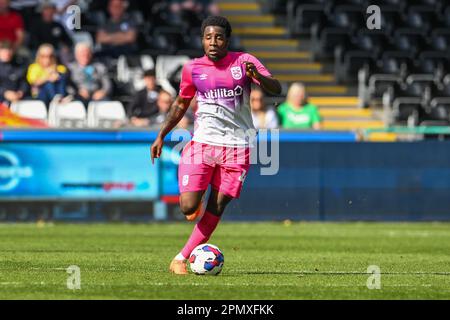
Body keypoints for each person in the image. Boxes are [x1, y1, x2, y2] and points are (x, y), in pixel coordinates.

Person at [150, 16, 281, 275]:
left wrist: (259, 79)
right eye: (208, 37)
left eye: (219, 37)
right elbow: (180, 103)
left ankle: (180, 258)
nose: (213, 42)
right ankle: (195, 198)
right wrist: (161, 135)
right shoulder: (193, 69)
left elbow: (276, 88)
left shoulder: (244, 62)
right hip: (203, 142)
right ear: (202, 39)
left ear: (227, 40)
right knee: (188, 206)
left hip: (237, 145)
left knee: (218, 206)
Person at [68, 42, 112, 107]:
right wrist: (78, 91)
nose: (85, 56)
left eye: (87, 53)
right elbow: (68, 85)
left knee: (108, 105)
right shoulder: (70, 68)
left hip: (97, 96)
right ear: (76, 55)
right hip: (78, 96)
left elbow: (107, 84)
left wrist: (102, 92)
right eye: (82, 54)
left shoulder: (100, 67)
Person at [0, 40, 28, 105]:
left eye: (9, 50)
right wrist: (5, 93)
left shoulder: (19, 65)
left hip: (18, 99)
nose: (7, 53)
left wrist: (21, 92)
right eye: (4, 50)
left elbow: (24, 82)